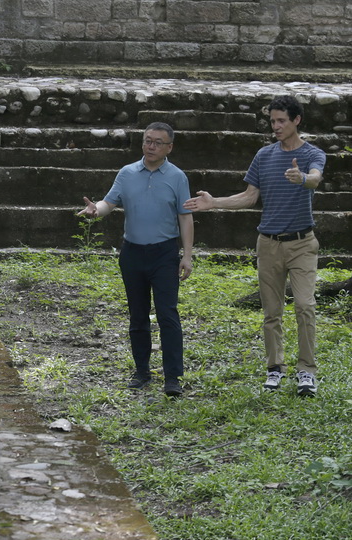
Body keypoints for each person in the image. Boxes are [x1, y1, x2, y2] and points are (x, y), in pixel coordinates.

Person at [184, 95, 325, 397]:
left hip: (302, 243)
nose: (276, 126)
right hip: (268, 244)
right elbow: (249, 197)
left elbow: (315, 179)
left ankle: (306, 372)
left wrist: (301, 177)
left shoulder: (313, 153)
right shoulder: (264, 155)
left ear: (296, 120)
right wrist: (213, 203)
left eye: (281, 121)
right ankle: (275, 369)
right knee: (271, 311)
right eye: (273, 121)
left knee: (305, 306)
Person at [79, 122, 194, 397]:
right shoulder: (127, 172)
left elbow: (185, 217)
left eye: (157, 142)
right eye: (147, 140)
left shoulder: (177, 177)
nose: (151, 146)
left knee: (168, 314)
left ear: (169, 147)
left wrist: (187, 255)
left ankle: (173, 377)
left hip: (165, 253)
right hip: (132, 253)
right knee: (138, 314)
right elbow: (110, 202)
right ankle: (142, 371)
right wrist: (97, 210)